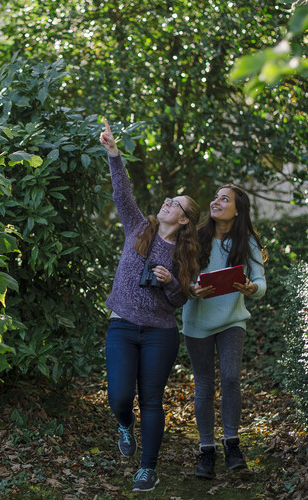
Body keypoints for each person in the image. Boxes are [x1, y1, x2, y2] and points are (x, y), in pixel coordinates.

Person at [98, 119, 201, 492]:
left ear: (184, 219)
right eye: (168, 199)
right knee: (120, 396)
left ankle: (147, 469)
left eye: (176, 204)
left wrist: (170, 280)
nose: (167, 202)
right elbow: (122, 194)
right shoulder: (138, 228)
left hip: (160, 333)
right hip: (122, 324)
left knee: (152, 401)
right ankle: (124, 424)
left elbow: (179, 300)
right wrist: (113, 152)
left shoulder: (185, 254)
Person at [182, 185, 267, 480]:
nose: (215, 202)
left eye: (224, 199)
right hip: (197, 323)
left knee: (230, 377)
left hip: (232, 320)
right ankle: (207, 450)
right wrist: (192, 290)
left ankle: (232, 444)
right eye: (216, 197)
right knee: (204, 386)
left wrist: (252, 288)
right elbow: (184, 281)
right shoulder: (196, 236)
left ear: (237, 210)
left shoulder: (247, 242)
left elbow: (260, 280)